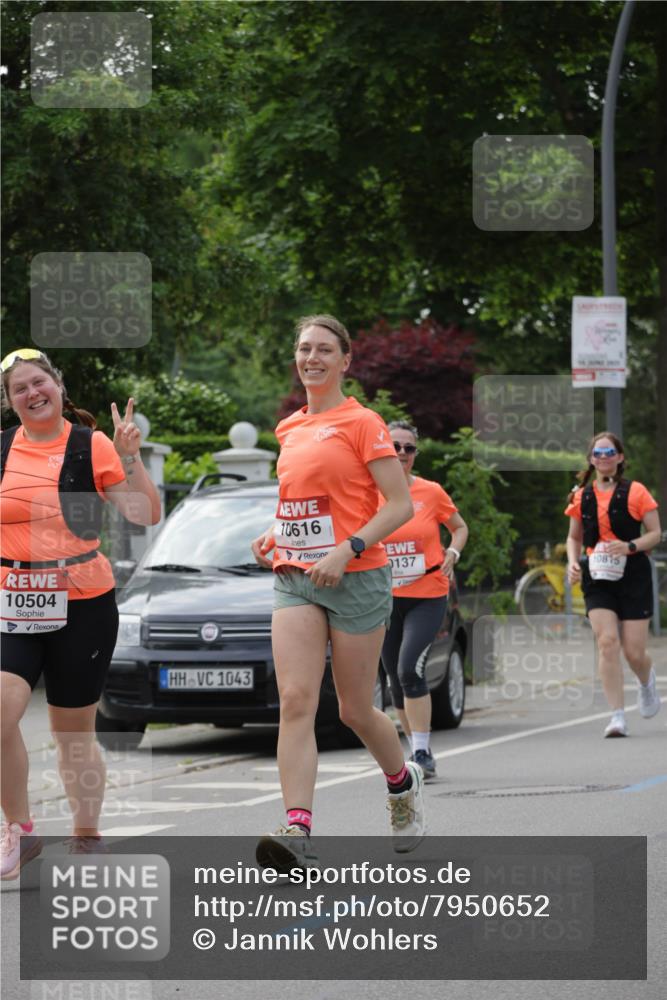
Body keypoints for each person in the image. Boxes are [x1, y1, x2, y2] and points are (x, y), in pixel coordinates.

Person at [251, 314, 424, 869]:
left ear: (345, 361)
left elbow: (399, 506)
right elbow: (313, 500)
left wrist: (345, 549)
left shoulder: (363, 422)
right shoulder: (288, 428)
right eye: (304, 348)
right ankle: (298, 830)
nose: (312, 358)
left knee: (353, 710)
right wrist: (277, 533)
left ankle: (401, 784)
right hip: (296, 577)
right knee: (297, 701)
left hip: (358, 575)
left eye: (324, 349)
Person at [0, 347, 161, 878]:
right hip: (13, 599)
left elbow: (144, 513)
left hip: (83, 601)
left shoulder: (90, 446)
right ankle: (21, 831)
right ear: (10, 402)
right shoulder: (1, 451)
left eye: (38, 381)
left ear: (58, 386)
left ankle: (87, 835)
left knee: (73, 731)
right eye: (19, 388)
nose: (32, 393)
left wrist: (130, 454)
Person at [379, 421, 468, 779]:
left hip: (427, 593)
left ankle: (420, 751)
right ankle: (417, 747)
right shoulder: (367, 491)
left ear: (415, 454)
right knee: (393, 678)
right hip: (383, 598)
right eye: (395, 446)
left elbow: (459, 527)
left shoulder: (430, 492)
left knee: (408, 667)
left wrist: (454, 553)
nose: (401, 453)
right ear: (383, 448)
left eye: (409, 448)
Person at [565, 431, 662, 738]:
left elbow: (655, 533)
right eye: (598, 454)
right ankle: (617, 715)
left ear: (620, 458)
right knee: (607, 642)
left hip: (633, 572)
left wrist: (630, 546)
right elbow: (574, 536)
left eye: (609, 453)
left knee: (634, 652)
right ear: (591, 460)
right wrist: (572, 561)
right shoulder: (582, 495)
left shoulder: (636, 492)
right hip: (597, 574)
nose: (603, 458)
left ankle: (646, 682)